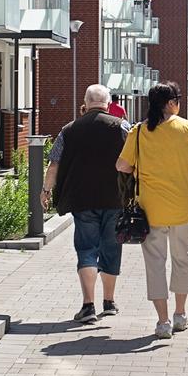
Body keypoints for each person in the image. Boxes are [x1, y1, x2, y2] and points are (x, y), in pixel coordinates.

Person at [116, 81, 188, 339]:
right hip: (184, 207)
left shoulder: (139, 131)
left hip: (150, 211)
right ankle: (180, 314)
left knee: (155, 264)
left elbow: (122, 166)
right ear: (171, 102)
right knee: (182, 258)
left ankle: (162, 322)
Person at [42, 84, 130, 324]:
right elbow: (135, 158)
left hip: (82, 200)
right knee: (111, 248)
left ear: (85, 102)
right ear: (108, 102)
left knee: (87, 249)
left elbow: (54, 165)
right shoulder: (122, 127)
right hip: (115, 198)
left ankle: (88, 306)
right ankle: (109, 303)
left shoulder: (68, 130)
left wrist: (45, 190)